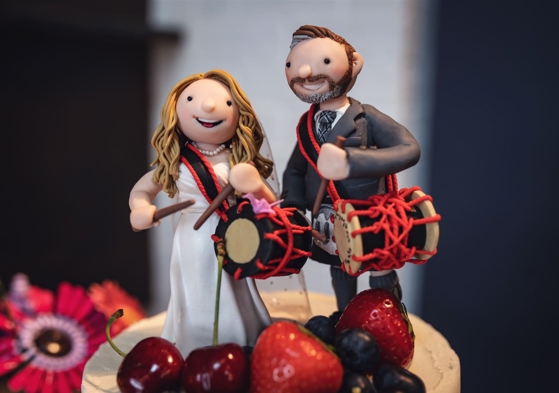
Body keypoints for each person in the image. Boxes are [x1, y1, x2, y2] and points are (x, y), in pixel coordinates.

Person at [129, 70, 274, 355]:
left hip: (234, 234)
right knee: (195, 284)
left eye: (224, 102)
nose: (208, 107)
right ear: (175, 112)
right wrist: (140, 209)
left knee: (235, 286)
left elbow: (272, 204)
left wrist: (256, 185)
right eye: (193, 99)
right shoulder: (177, 162)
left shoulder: (240, 160)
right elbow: (142, 191)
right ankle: (193, 342)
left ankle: (240, 339)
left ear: (239, 113)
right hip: (192, 236)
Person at [281, 25, 421, 315]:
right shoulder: (307, 126)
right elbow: (295, 171)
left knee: (379, 273)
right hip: (327, 220)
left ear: (354, 64)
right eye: (294, 64)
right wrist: (294, 207)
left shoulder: (366, 118)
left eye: (325, 62)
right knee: (341, 272)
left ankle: (389, 324)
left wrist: (351, 162)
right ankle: (346, 322)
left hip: (371, 216)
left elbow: (409, 149)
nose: (305, 72)